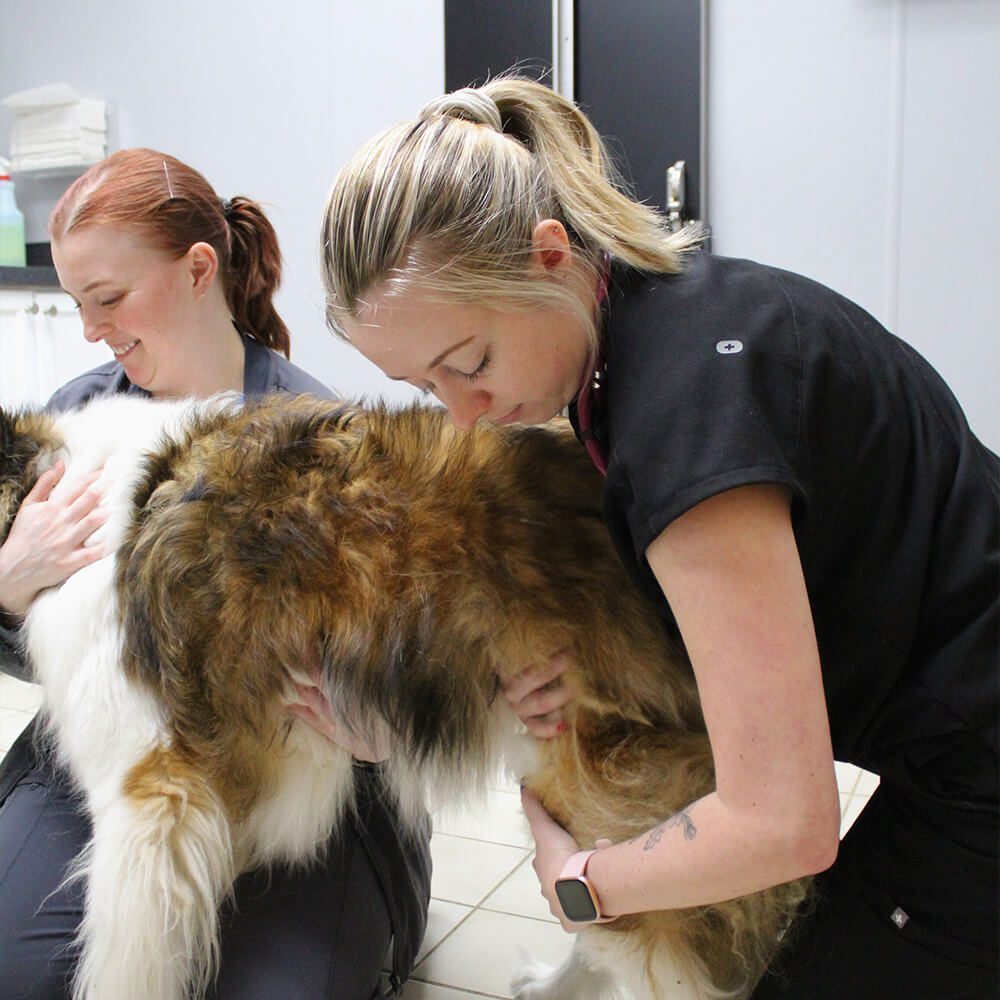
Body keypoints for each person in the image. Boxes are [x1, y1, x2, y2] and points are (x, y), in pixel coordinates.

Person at [317, 77, 999, 998]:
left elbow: (784, 822)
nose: (464, 418)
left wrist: (587, 887)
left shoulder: (685, 427)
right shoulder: (663, 319)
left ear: (548, 255)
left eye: (469, 364)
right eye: (427, 387)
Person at [0, 148, 431, 1000]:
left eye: (110, 299)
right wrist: (10, 586)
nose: (94, 330)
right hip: (114, 762)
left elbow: (411, 669)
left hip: (301, 784)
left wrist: (377, 715)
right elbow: (47, 655)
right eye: (80, 305)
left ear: (201, 269)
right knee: (18, 973)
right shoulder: (75, 419)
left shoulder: (319, 435)